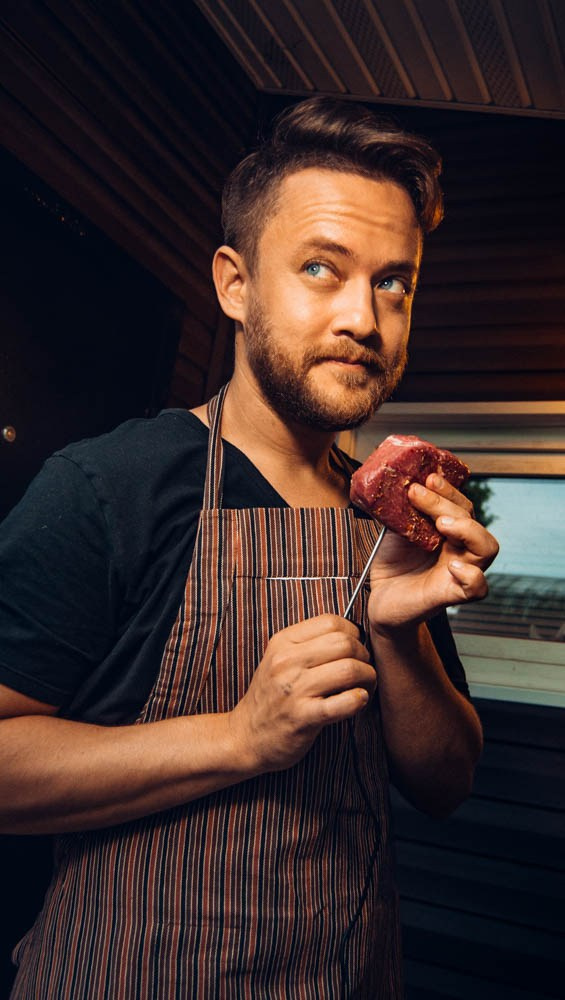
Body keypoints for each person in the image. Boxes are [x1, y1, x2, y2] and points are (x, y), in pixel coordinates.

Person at [0, 97, 498, 998]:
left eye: (394, 282)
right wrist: (240, 738)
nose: (365, 318)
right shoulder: (112, 484)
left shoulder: (391, 517)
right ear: (235, 285)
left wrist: (397, 635)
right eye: (320, 268)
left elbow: (446, 783)